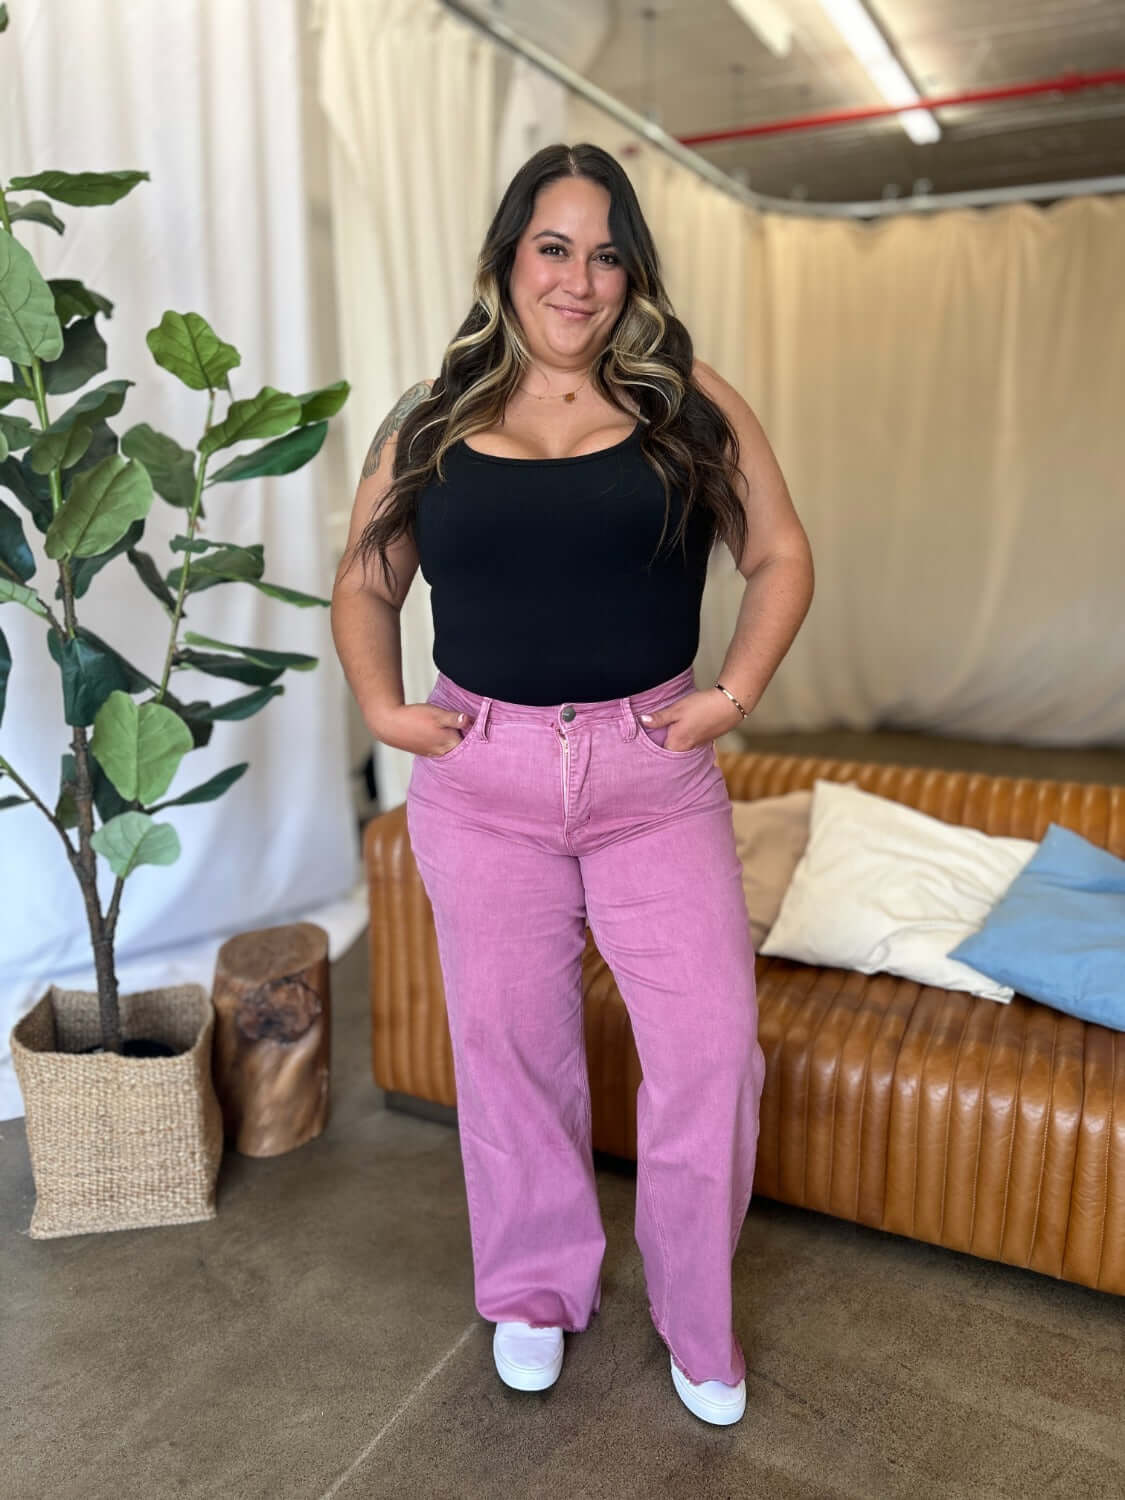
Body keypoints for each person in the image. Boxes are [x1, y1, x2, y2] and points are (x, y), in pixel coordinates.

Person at [330, 143, 814, 1428]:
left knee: (711, 1053)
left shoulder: (686, 401)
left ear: (631, 273)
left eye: (607, 253)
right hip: (481, 781)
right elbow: (367, 580)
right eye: (555, 246)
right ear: (506, 259)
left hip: (653, 774)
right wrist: (385, 709)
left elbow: (778, 555)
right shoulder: (430, 415)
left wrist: (733, 695)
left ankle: (697, 1320)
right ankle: (535, 1290)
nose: (580, 278)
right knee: (508, 1053)